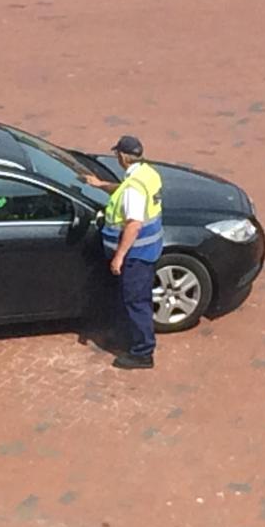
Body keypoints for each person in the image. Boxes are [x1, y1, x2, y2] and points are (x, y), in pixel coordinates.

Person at [84, 135, 164, 369]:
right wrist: (101, 185)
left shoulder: (133, 187)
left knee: (136, 301)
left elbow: (133, 223)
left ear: (122, 156)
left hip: (135, 255)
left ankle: (142, 353)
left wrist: (119, 256)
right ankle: (131, 339)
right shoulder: (147, 174)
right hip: (149, 250)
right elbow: (125, 193)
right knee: (138, 299)